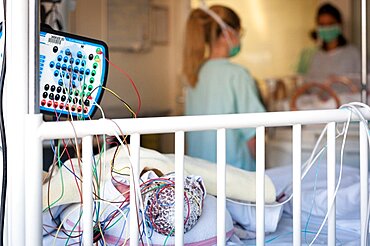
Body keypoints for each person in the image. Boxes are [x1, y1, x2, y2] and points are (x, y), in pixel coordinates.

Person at [183, 5, 265, 171]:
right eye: (239, 33)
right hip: (233, 176)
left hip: (201, 175)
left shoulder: (195, 74)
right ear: (227, 33)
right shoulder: (237, 75)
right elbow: (253, 135)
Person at [304, 3, 361, 82]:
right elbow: (307, 84)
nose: (326, 28)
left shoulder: (353, 54)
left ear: (339, 23)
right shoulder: (315, 56)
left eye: (330, 24)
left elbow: (363, 84)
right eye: (322, 25)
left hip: (347, 94)